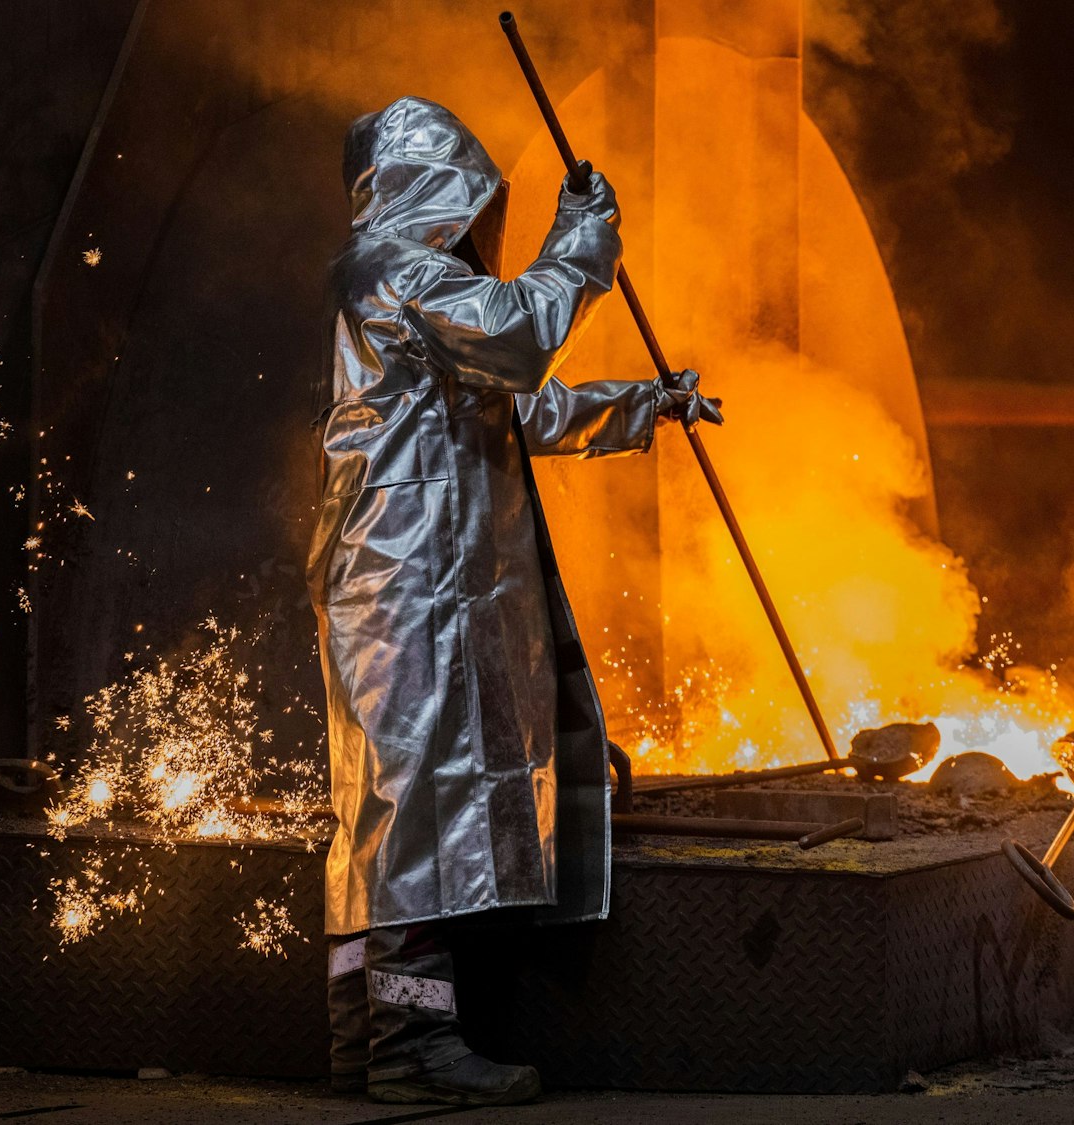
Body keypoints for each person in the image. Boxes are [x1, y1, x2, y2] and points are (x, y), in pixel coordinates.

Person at [308, 96, 719, 1107]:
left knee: (395, 811)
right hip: (408, 588)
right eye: (471, 201)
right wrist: (580, 240)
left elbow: (521, 402)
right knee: (411, 816)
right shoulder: (389, 271)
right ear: (433, 190)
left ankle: (366, 1037)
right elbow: (524, 333)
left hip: (417, 584)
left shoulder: (413, 291)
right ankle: (409, 1044)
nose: (478, 224)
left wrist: (646, 403)